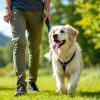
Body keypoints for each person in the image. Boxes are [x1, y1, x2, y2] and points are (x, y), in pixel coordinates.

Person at [4, 0, 50, 96]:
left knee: (35, 47)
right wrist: (7, 8)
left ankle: (32, 82)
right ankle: (21, 85)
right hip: (17, 8)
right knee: (19, 42)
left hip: (38, 10)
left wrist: (47, 9)